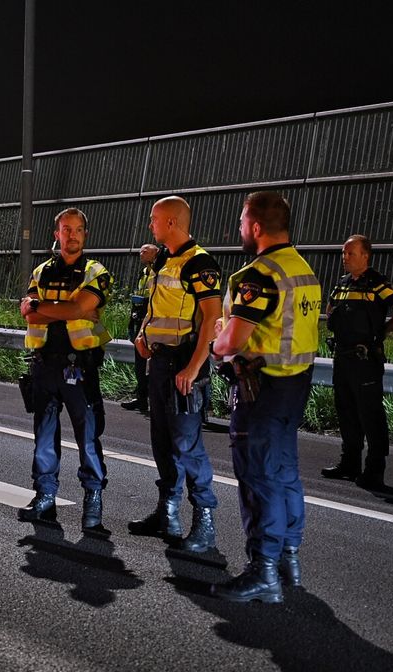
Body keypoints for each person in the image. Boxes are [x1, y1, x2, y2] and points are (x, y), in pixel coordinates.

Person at [210, 191, 320, 603]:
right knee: (286, 473)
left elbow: (230, 341)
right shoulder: (303, 269)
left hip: (262, 389)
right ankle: (289, 559)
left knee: (259, 479)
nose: (240, 229)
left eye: (242, 222)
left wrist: (217, 347)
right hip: (294, 387)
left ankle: (264, 571)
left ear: (255, 227)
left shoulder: (258, 276)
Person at [132, 197, 223, 552]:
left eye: (154, 219)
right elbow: (160, 307)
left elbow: (213, 320)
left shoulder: (200, 262)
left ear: (171, 222)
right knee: (162, 441)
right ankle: (167, 511)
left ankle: (205, 523)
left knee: (188, 446)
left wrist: (194, 366)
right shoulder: (167, 259)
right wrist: (143, 333)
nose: (150, 225)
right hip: (160, 362)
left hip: (183, 365)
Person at [17, 208, 114, 533]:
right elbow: (30, 316)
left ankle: (93, 503)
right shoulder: (41, 271)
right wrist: (61, 310)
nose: (71, 235)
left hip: (80, 368)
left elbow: (79, 307)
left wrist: (46, 309)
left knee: (88, 438)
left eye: (77, 230)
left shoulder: (96, 272)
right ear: (55, 233)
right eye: (65, 229)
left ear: (85, 235)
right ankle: (44, 497)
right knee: (44, 436)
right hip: (44, 366)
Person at [321, 234, 393, 487]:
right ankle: (349, 463)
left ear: (366, 255)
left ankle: (374, 470)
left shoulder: (377, 283)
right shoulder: (342, 283)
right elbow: (330, 310)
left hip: (365, 360)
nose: (345, 257)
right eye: (344, 253)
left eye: (351, 253)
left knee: (370, 415)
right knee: (346, 412)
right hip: (342, 356)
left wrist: (382, 332)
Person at [120, 243, 159, 413]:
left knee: (152, 364)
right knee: (139, 363)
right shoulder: (143, 272)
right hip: (139, 316)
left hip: (153, 320)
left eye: (145, 251)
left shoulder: (161, 271)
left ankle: (153, 400)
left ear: (155, 253)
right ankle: (141, 398)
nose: (140, 254)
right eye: (140, 251)